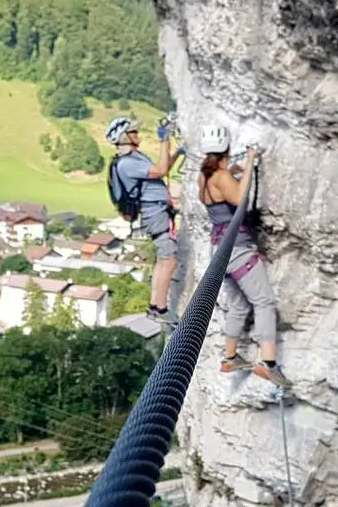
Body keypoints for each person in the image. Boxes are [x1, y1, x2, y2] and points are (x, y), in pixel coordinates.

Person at [197, 125, 289, 389]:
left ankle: (229, 357)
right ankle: (268, 363)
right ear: (226, 148)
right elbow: (239, 199)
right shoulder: (222, 176)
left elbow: (221, 193)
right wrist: (248, 163)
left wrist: (236, 172)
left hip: (220, 249)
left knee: (239, 304)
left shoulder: (204, 176)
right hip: (238, 249)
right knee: (264, 302)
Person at [105, 116, 180, 323]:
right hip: (154, 213)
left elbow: (160, 170)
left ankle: (155, 306)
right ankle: (162, 310)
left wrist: (176, 154)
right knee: (169, 259)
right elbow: (161, 171)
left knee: (162, 261)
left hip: (155, 212)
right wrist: (164, 140)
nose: (137, 135)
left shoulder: (134, 158)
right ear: (124, 137)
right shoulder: (127, 164)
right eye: (133, 132)